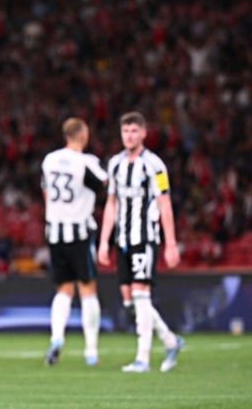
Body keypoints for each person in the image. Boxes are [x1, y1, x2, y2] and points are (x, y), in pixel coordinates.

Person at [98, 112, 184, 373]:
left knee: (140, 294)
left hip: (144, 238)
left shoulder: (155, 165)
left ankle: (142, 359)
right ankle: (170, 341)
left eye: (134, 131)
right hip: (123, 240)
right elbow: (111, 204)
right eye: (125, 131)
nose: (129, 136)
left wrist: (170, 243)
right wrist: (104, 241)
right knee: (130, 301)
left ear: (144, 133)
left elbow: (164, 204)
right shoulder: (115, 164)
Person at [39, 119, 107, 367]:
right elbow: (106, 184)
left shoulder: (49, 160)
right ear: (83, 135)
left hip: (55, 231)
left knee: (63, 289)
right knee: (87, 289)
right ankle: (91, 351)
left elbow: (46, 192)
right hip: (79, 231)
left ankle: (56, 339)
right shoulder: (86, 162)